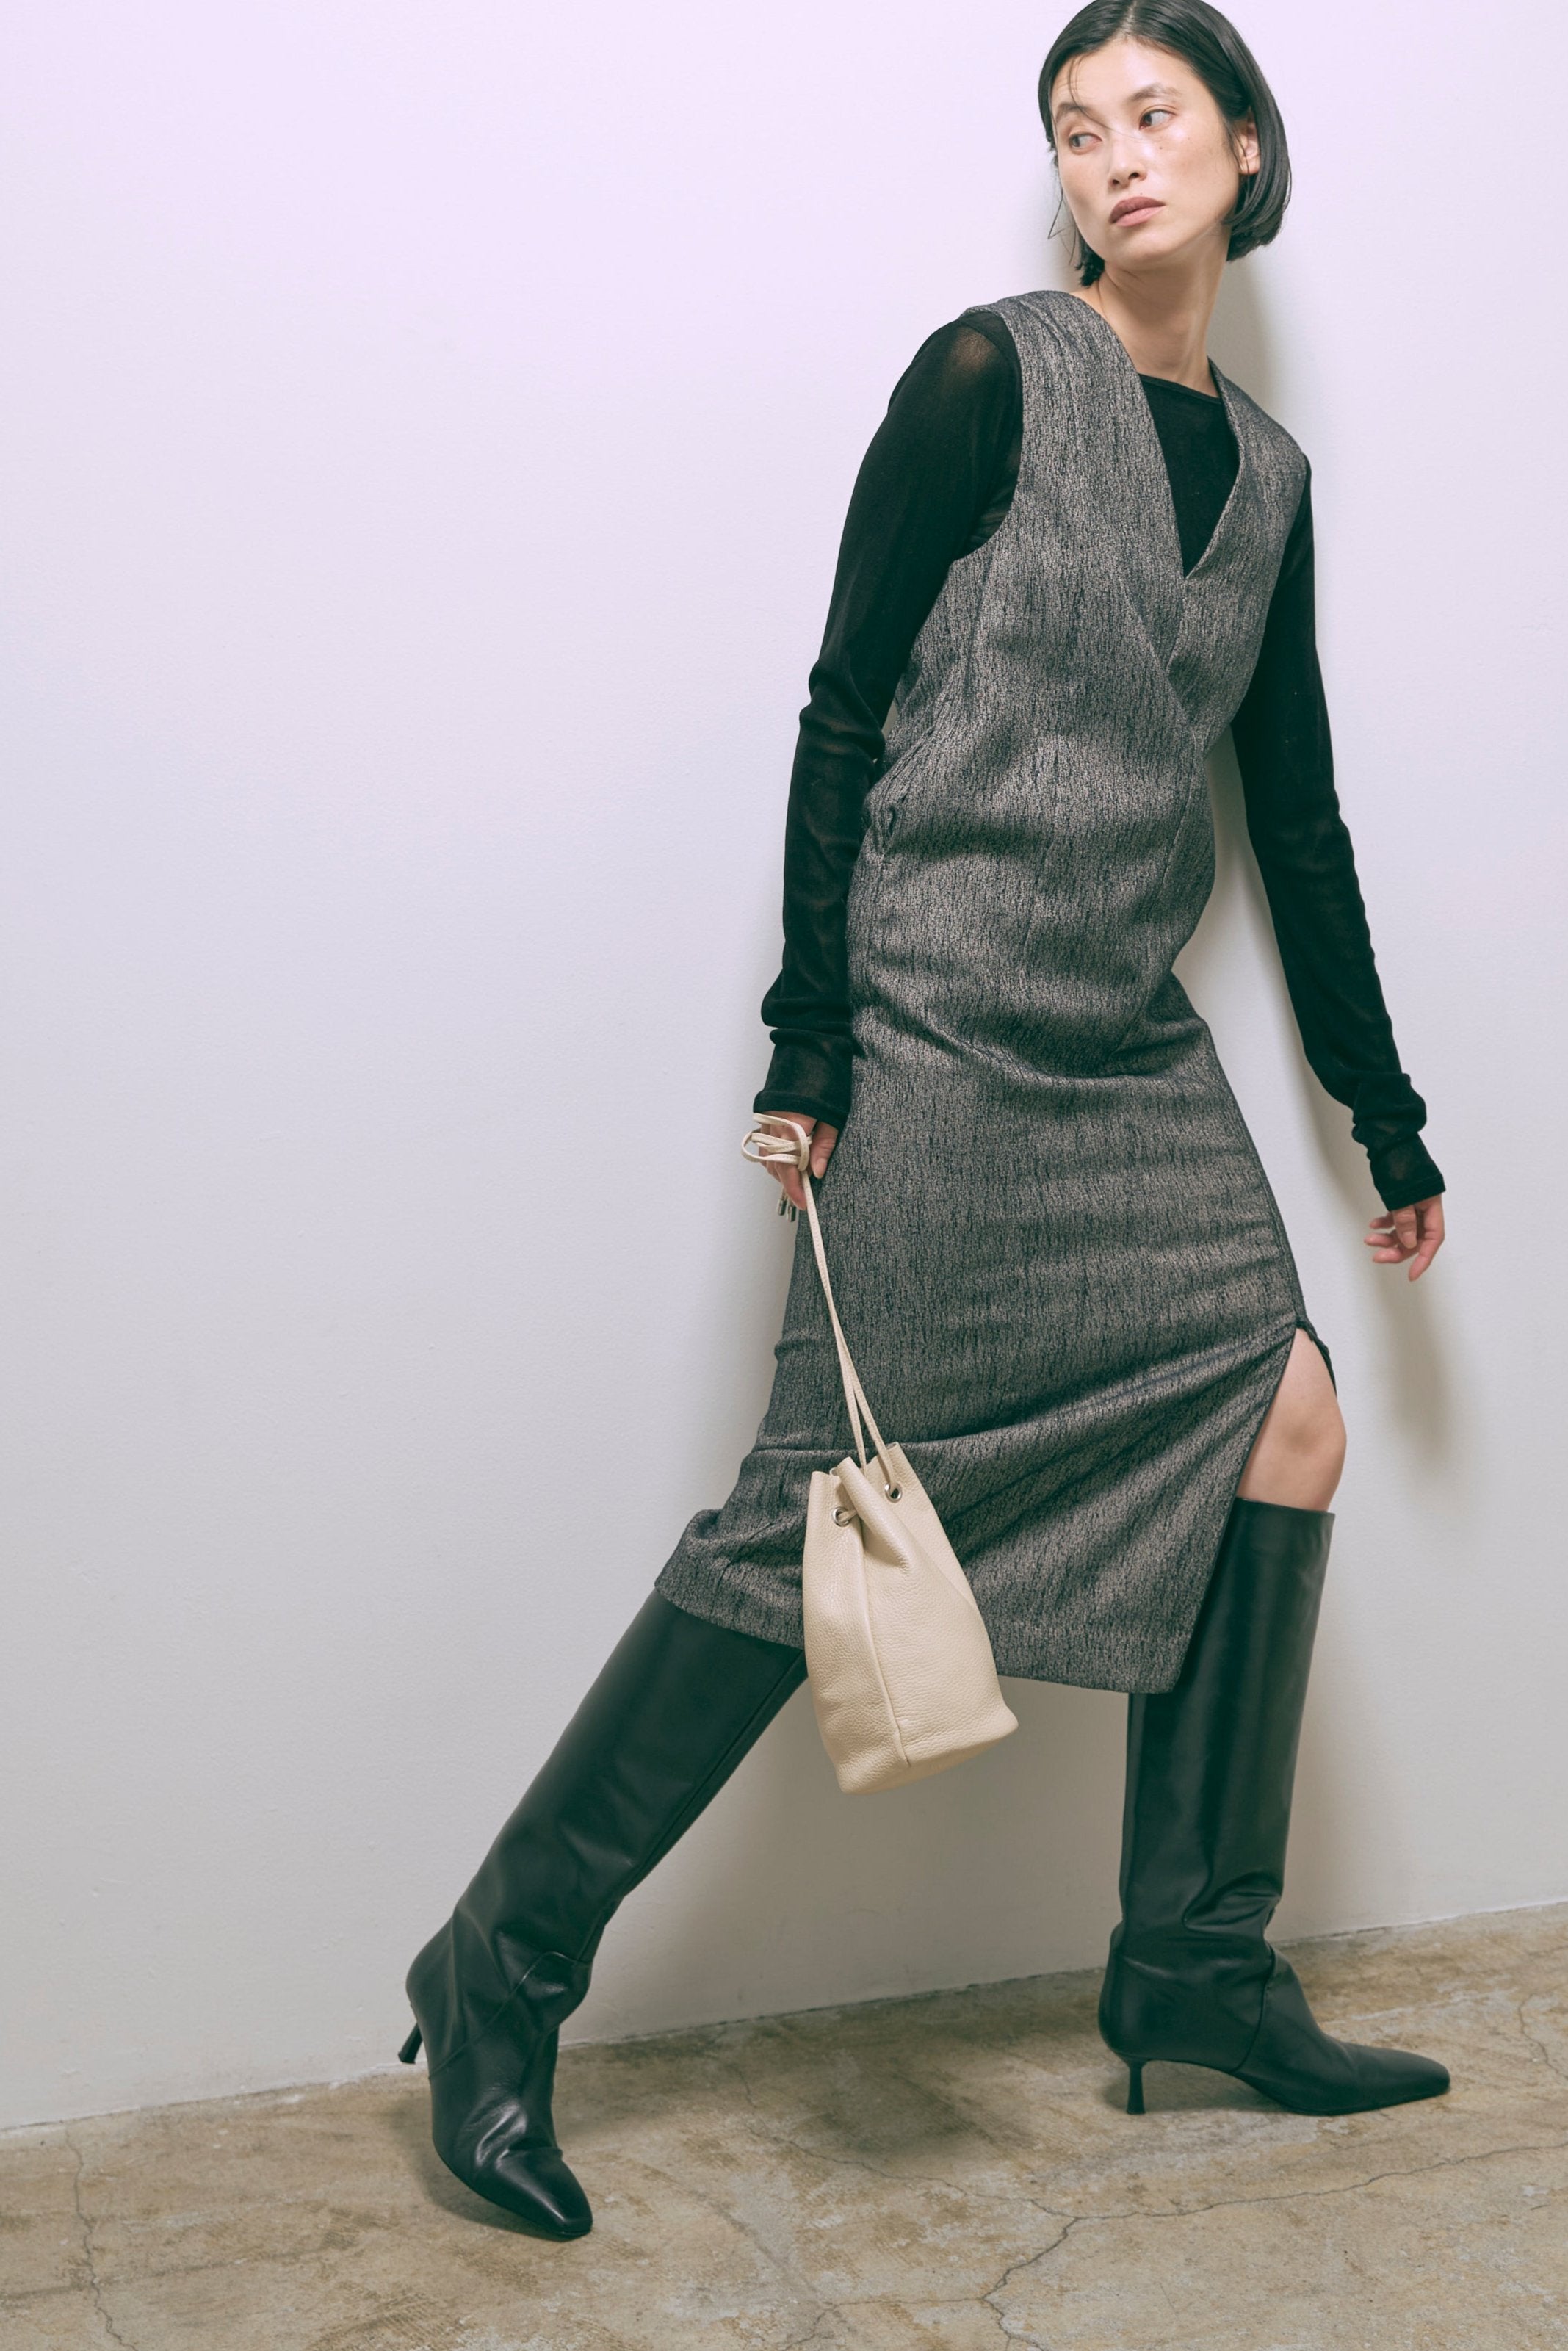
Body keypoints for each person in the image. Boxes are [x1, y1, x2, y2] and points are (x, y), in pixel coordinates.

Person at [397, 0, 1451, 2238]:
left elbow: (1295, 813)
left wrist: (1386, 1109)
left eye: (1154, 115)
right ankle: (501, 1959)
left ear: (1248, 154)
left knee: (1283, 1410)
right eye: (1075, 127)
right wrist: (812, 1040)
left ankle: (1194, 1964)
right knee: (815, 1510)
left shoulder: (1271, 484)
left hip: (1125, 1047)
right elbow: (843, 704)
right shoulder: (985, 378)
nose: (1113, 156)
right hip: (938, 1026)